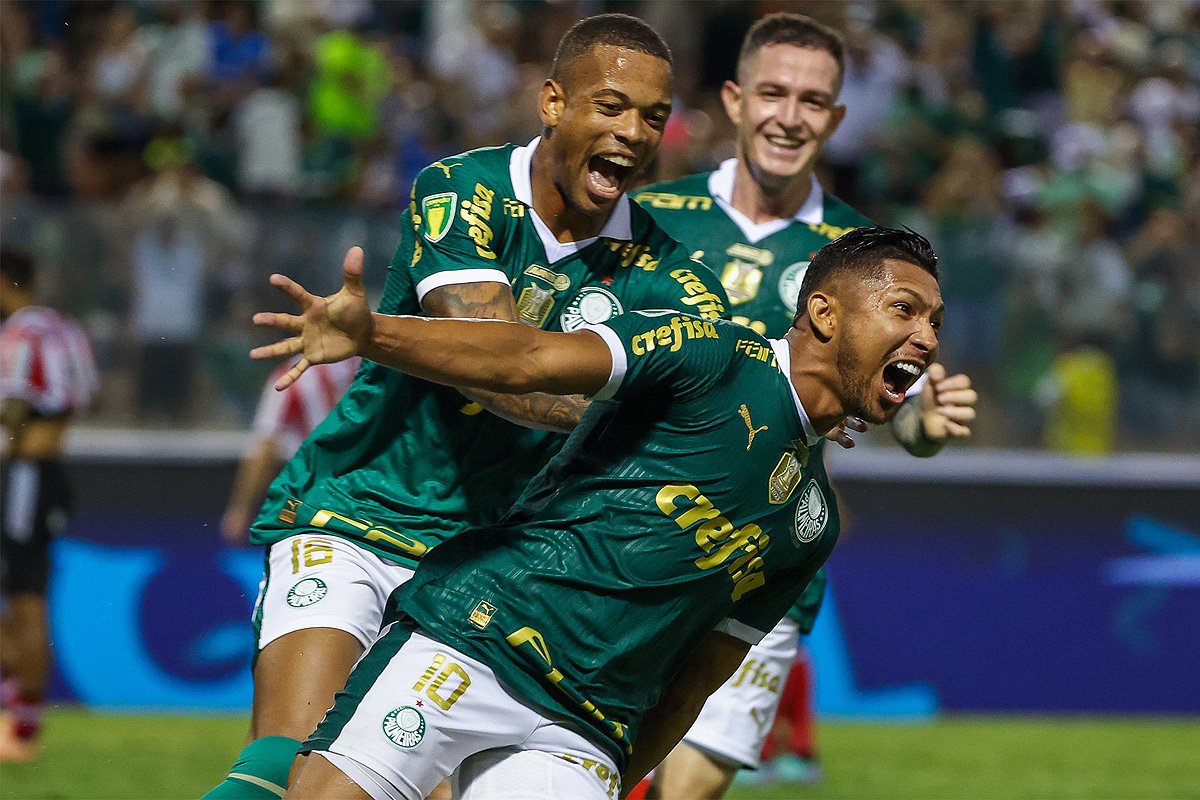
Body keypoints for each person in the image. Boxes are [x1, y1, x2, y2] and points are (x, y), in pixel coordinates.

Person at [202, 14, 729, 799]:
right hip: (358, 511)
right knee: (290, 760)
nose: (634, 132)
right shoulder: (462, 192)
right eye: (611, 107)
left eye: (653, 116)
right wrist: (610, 415)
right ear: (553, 103)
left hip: (490, 567)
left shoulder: (674, 280)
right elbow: (487, 359)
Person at [250, 224, 943, 800]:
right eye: (905, 310)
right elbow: (527, 356)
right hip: (476, 644)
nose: (929, 337)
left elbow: (694, 684)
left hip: (582, 737)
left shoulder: (811, 520)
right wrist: (372, 333)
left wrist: (614, 774)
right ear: (824, 314)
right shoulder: (713, 354)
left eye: (935, 322)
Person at [631, 14, 977, 798]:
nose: (790, 116)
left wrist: (929, 420)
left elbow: (907, 411)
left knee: (688, 788)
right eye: (774, 93)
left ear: (838, 118)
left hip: (767, 556)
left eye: (813, 100)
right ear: (734, 99)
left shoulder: (866, 252)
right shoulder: (652, 218)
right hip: (637, 540)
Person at [0, 247, 99, 762]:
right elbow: (90, 395)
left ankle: (17, 725)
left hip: (23, 474)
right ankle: (21, 722)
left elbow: (13, 405)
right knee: (25, 593)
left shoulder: (21, 333)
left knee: (22, 598)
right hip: (51, 470)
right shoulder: (67, 329)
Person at [220, 358, 361, 545]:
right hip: (373, 493)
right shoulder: (375, 363)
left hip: (315, 498)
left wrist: (240, 508)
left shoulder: (292, 375)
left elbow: (265, 445)